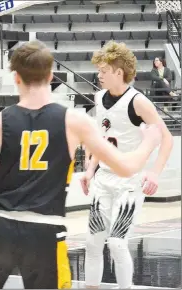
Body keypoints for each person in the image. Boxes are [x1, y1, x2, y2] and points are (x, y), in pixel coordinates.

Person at [0, 40, 162, 289]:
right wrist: (149, 142)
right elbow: (126, 167)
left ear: (16, 77)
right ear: (51, 76)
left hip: (1, 228)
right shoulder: (74, 121)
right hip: (45, 233)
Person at [80, 41, 174, 289]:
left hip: (129, 183)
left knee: (117, 243)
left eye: (103, 71)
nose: (98, 75)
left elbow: (166, 139)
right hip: (104, 180)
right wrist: (90, 169)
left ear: (118, 72)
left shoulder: (138, 102)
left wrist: (154, 173)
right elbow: (100, 139)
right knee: (92, 242)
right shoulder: (99, 97)